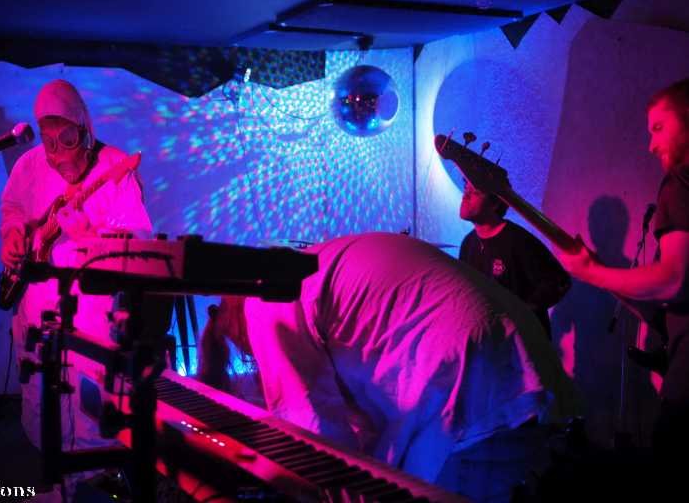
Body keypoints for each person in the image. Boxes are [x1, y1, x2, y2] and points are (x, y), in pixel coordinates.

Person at [200, 232, 578, 503]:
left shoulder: (267, 300)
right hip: (522, 363)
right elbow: (365, 410)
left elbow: (316, 438)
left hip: (473, 383)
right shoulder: (318, 264)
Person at [0, 79, 152, 497]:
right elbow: (12, 208)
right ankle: (54, 484)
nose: (57, 156)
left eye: (66, 142)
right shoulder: (29, 165)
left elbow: (139, 242)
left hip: (91, 316)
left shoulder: (115, 166)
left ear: (84, 129)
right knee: (42, 400)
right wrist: (12, 234)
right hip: (38, 306)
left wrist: (89, 238)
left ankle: (93, 484)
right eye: (48, 142)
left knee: (90, 406)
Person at [557, 78, 689, 478]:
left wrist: (590, 271)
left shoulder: (680, 182)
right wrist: (599, 274)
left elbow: (673, 280)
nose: (651, 145)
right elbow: (668, 302)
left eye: (659, 128)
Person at [459, 181, 571, 338]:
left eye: (476, 191)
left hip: (524, 343)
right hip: (493, 343)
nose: (466, 195)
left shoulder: (519, 241)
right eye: (466, 188)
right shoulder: (468, 243)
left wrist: (521, 313)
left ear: (495, 203)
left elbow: (559, 281)